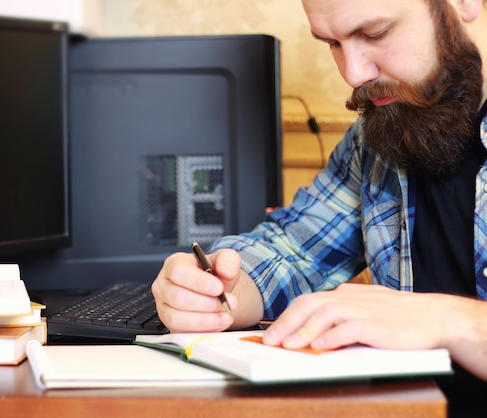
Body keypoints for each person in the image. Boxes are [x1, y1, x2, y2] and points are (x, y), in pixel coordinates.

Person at [151, 0, 487, 415]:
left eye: (375, 33)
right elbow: (295, 249)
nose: (353, 74)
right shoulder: (379, 135)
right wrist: (215, 291)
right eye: (333, 43)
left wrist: (453, 321)